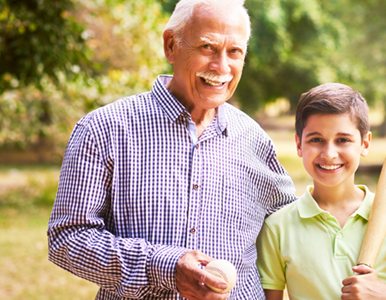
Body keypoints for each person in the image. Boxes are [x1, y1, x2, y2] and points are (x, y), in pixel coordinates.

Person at [47, 0, 297, 299]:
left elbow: (295, 228)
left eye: (234, 52)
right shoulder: (104, 130)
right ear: (170, 46)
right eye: (207, 47)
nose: (221, 67)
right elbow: (68, 238)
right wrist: (164, 267)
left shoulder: (254, 140)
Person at [256, 83, 386, 300]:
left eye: (343, 140)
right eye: (316, 140)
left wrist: (382, 293)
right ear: (298, 144)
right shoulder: (277, 227)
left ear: (364, 143)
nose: (329, 153)